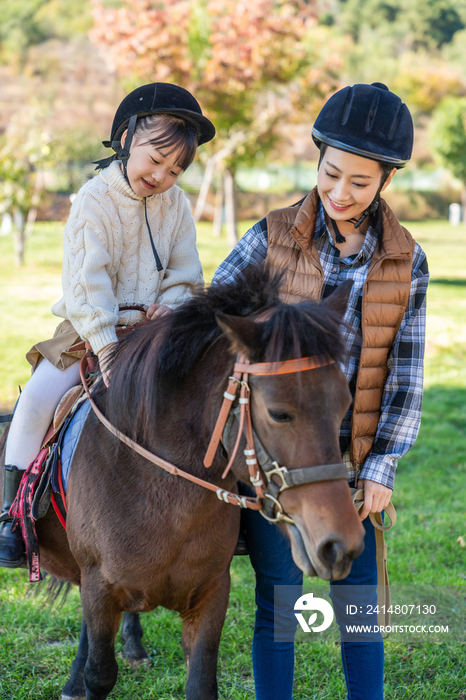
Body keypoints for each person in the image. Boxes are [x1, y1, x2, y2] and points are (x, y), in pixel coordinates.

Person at [213, 83, 429, 699]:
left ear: (386, 180)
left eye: (360, 184)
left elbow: (406, 375)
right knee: (279, 608)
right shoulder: (271, 237)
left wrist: (382, 465)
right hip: (282, 467)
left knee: (361, 616)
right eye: (331, 174)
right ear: (317, 159)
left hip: (354, 463)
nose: (340, 193)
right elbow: (214, 324)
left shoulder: (405, 261)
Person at [0, 82, 215, 568]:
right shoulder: (93, 201)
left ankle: (218, 513)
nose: (161, 176)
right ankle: (13, 516)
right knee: (35, 401)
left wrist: (174, 305)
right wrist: (107, 345)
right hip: (89, 332)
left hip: (154, 333)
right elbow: (85, 286)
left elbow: (186, 273)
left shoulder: (177, 206)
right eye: (154, 159)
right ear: (124, 140)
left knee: (208, 395)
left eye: (176, 169)